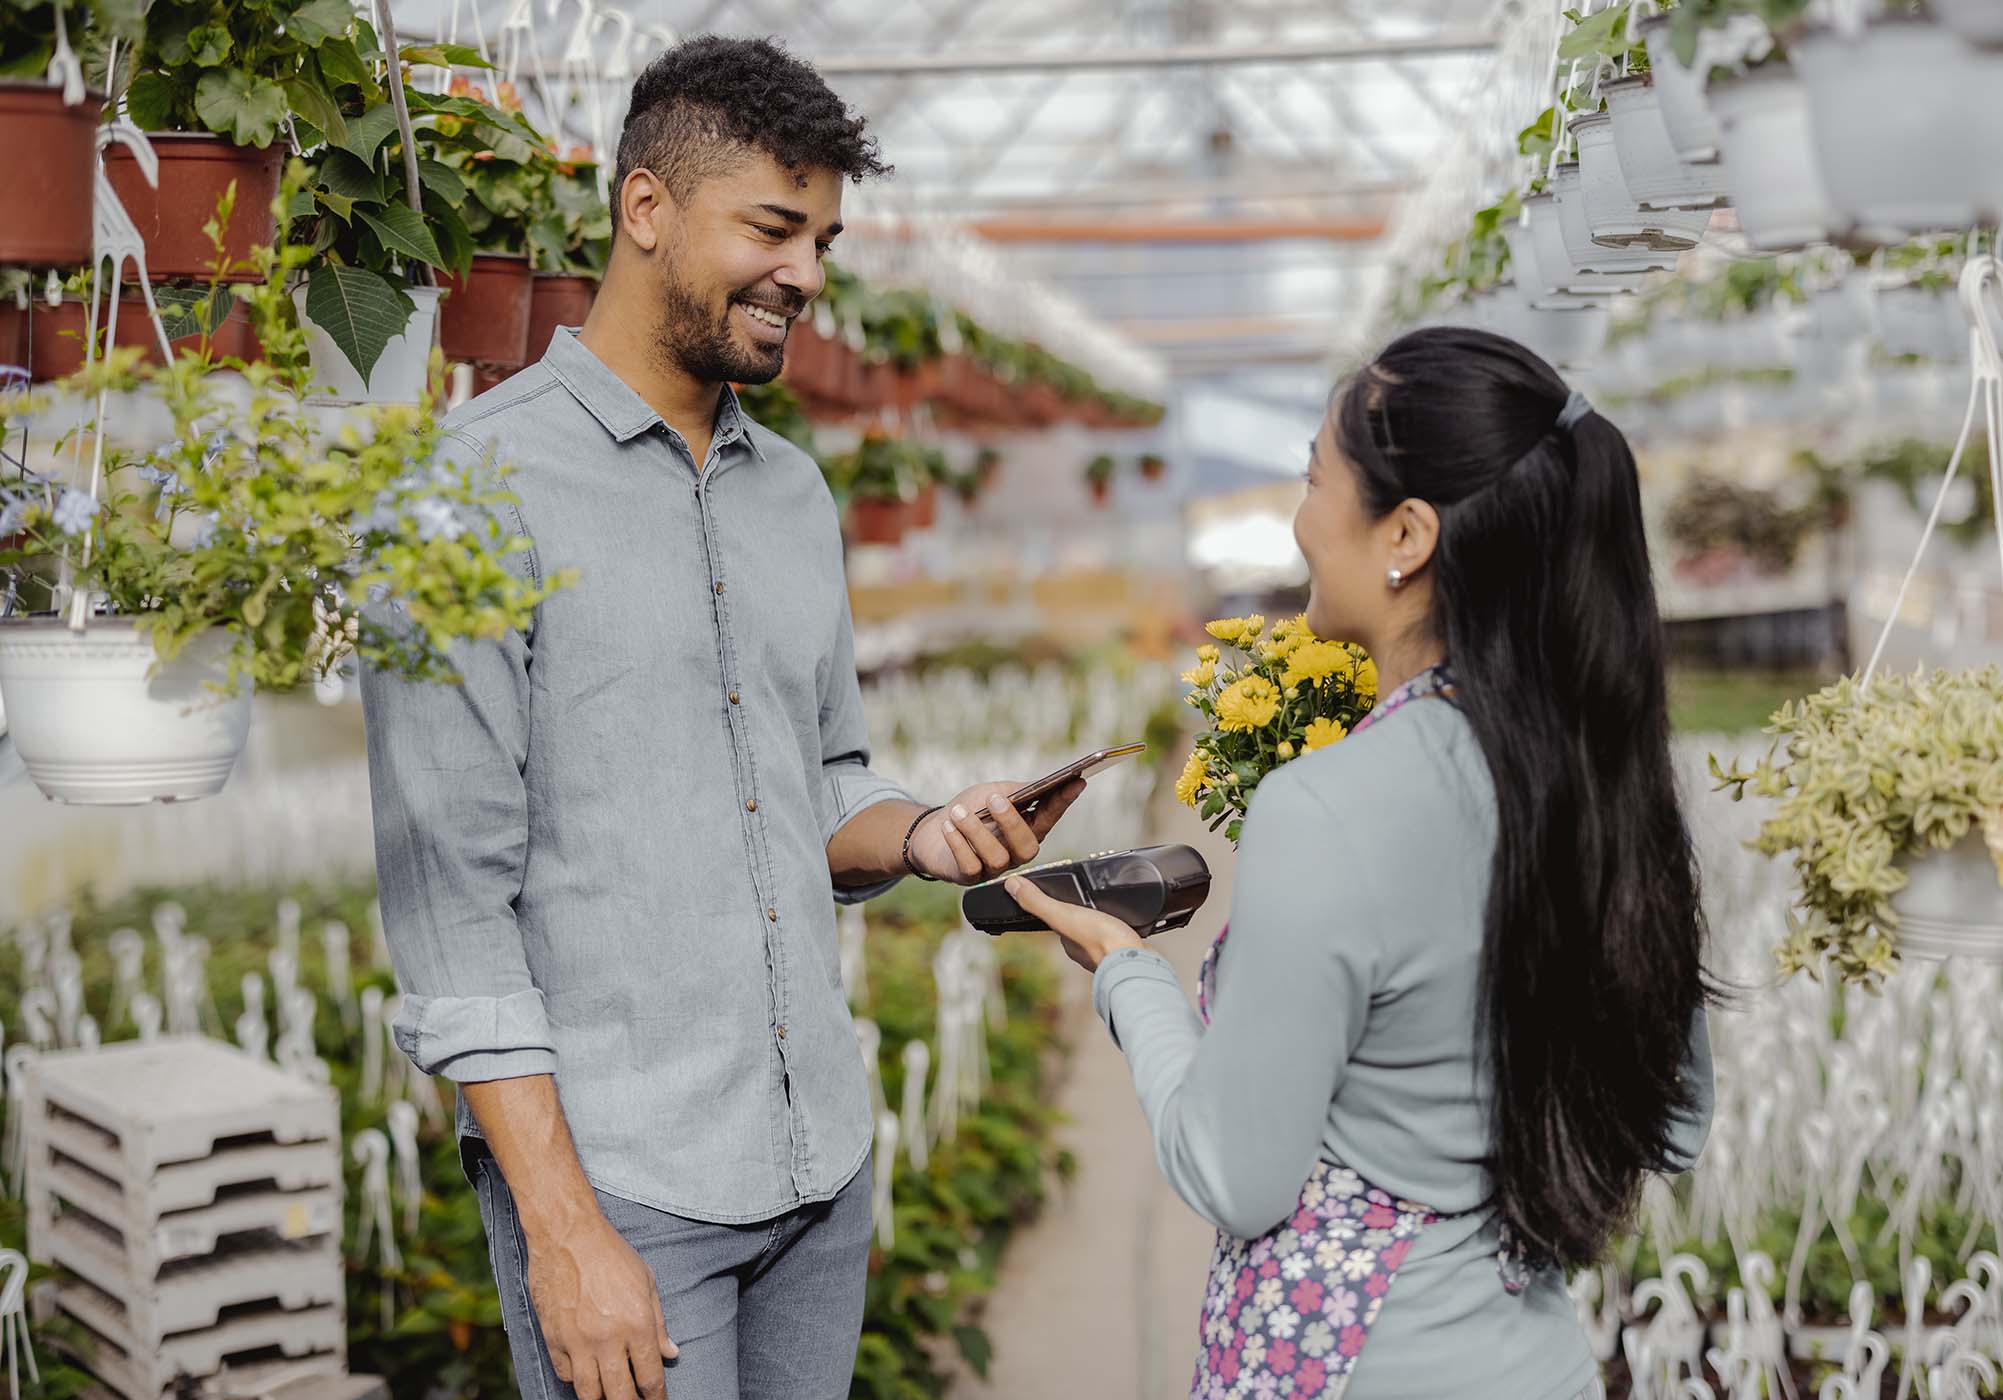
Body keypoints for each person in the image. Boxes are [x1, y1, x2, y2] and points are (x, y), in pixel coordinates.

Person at [359, 36, 1085, 1400]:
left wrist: (922, 833)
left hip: (818, 1170)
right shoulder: (460, 493)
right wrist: (561, 1233)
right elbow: (450, 906)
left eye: (821, 237)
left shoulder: (794, 499)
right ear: (644, 210)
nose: (805, 275)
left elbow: (817, 783)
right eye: (771, 227)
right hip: (625, 1188)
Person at [1009, 326, 1716, 1400]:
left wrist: (1123, 972)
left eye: (1310, 477)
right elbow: (1673, 1120)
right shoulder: (1602, 771)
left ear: (1405, 533)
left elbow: (1232, 1171)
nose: (1298, 517)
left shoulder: (1329, 803)